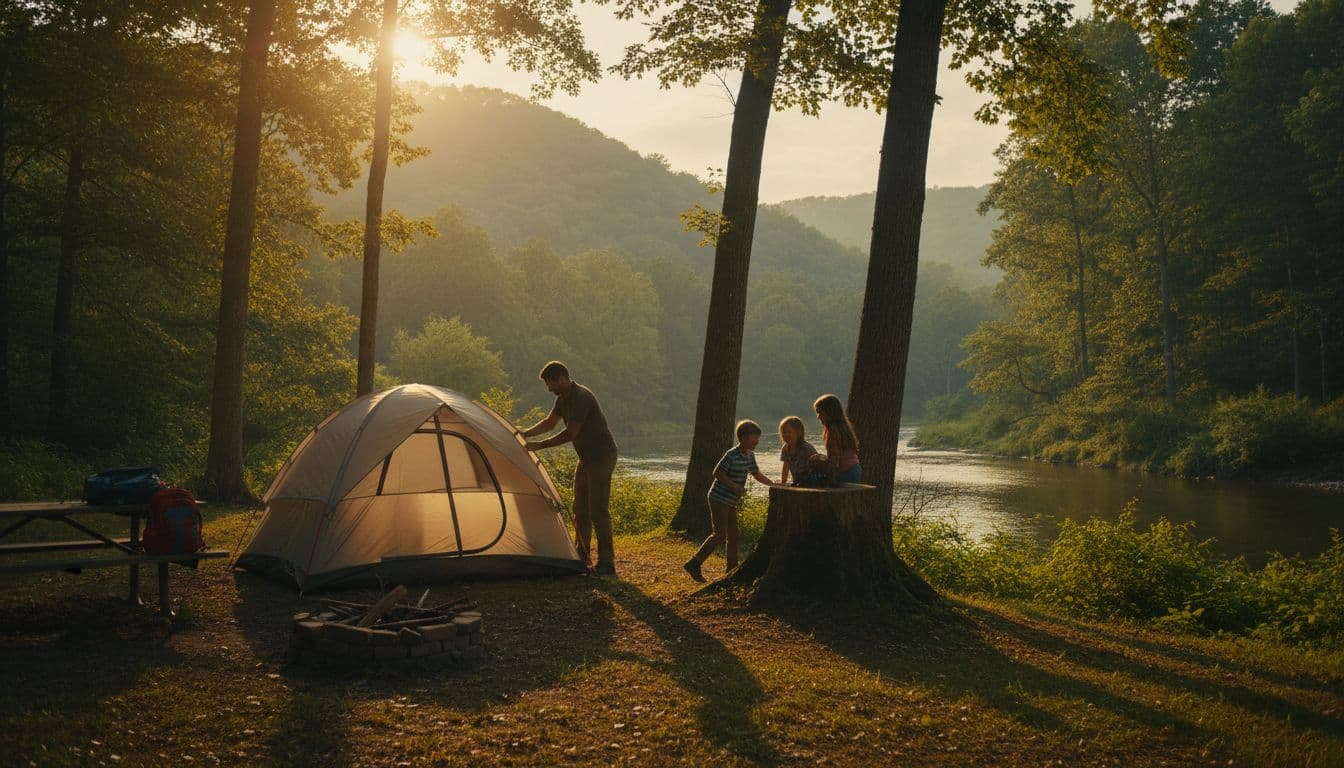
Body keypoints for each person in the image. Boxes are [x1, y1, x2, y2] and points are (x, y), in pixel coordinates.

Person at [520, 361, 620, 576]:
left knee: (598, 510)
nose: (549, 389)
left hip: (602, 457)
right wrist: (524, 433)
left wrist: (541, 445)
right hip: (585, 459)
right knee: (580, 510)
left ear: (562, 379)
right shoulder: (562, 398)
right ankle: (582, 556)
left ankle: (607, 563)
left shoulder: (582, 398)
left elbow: (569, 434)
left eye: (550, 384)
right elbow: (549, 423)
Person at [683, 419, 775, 582]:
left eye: (758, 438)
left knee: (734, 534)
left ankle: (731, 571)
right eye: (754, 438)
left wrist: (774, 484)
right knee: (720, 533)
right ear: (743, 437)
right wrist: (734, 486)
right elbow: (717, 472)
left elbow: (756, 474)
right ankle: (694, 563)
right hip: (719, 498)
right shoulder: (731, 454)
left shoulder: (750, 456)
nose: (757, 441)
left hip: (730, 501)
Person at [808, 394, 861, 484]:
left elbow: (834, 462)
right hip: (855, 469)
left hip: (846, 473)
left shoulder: (833, 432)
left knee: (812, 477)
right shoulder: (844, 428)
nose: (818, 416)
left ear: (829, 412)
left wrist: (818, 464)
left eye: (820, 412)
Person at [778, 415, 819, 486]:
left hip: (811, 481)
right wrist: (783, 482)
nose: (786, 434)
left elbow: (818, 466)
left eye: (789, 432)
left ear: (799, 432)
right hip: (797, 481)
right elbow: (786, 466)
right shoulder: (785, 448)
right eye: (784, 432)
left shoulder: (806, 448)